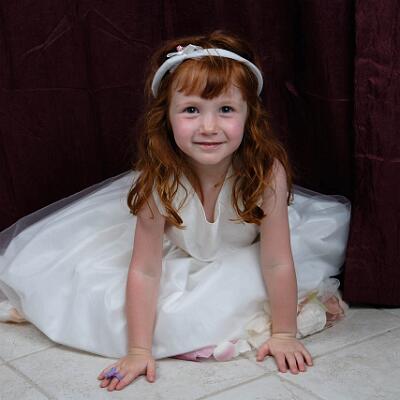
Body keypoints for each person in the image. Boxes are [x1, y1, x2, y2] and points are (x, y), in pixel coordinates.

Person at [0, 31, 350, 392]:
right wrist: (138, 351)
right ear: (166, 116)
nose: (209, 127)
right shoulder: (158, 179)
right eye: (191, 110)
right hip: (179, 253)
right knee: (121, 303)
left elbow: (276, 262)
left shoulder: (265, 171)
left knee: (250, 289)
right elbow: (146, 269)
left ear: (250, 115)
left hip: (248, 252)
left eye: (226, 109)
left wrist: (284, 333)